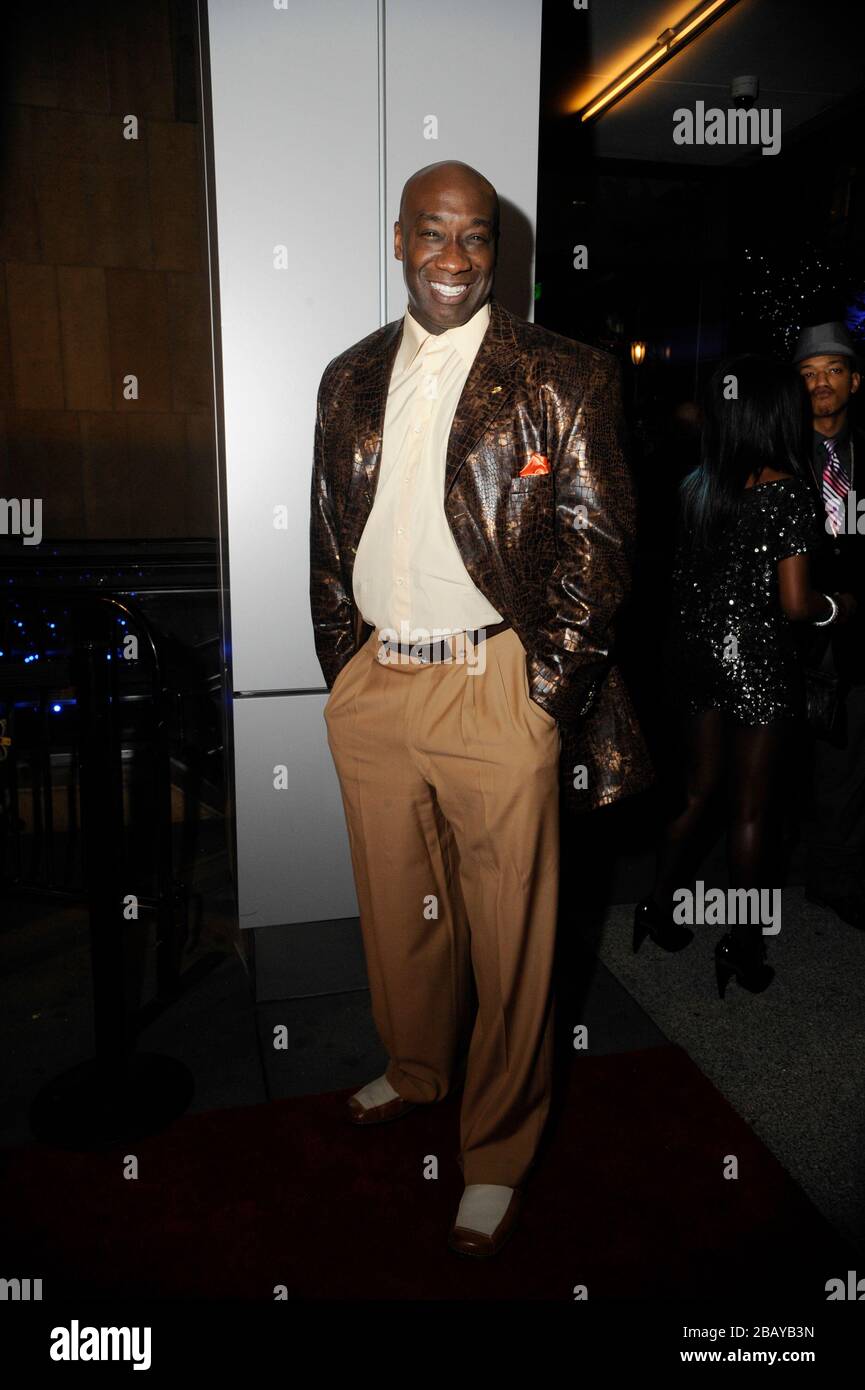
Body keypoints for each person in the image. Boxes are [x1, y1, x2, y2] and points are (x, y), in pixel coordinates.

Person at [309, 160, 650, 1257]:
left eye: (476, 239)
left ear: (496, 253)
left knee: (510, 941)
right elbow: (326, 535)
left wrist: (545, 697)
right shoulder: (349, 377)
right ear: (399, 239)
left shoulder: (561, 372)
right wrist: (345, 670)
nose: (454, 258)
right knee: (398, 920)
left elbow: (598, 553)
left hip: (496, 687)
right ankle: (416, 1069)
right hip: (378, 687)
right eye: (433, 235)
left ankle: (496, 1146)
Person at [634, 355, 853, 996]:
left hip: (696, 659)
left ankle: (655, 906)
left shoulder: (697, 484)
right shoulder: (788, 490)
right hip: (755, 662)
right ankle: (741, 945)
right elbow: (795, 604)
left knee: (699, 795)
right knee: (752, 814)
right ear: (774, 415)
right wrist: (840, 606)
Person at [792, 323, 865, 929]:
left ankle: (836, 876)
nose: (820, 383)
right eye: (809, 373)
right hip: (796, 626)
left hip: (858, 629)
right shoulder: (781, 454)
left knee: (849, 751)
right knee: (796, 756)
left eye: (832, 370)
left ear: (854, 381)